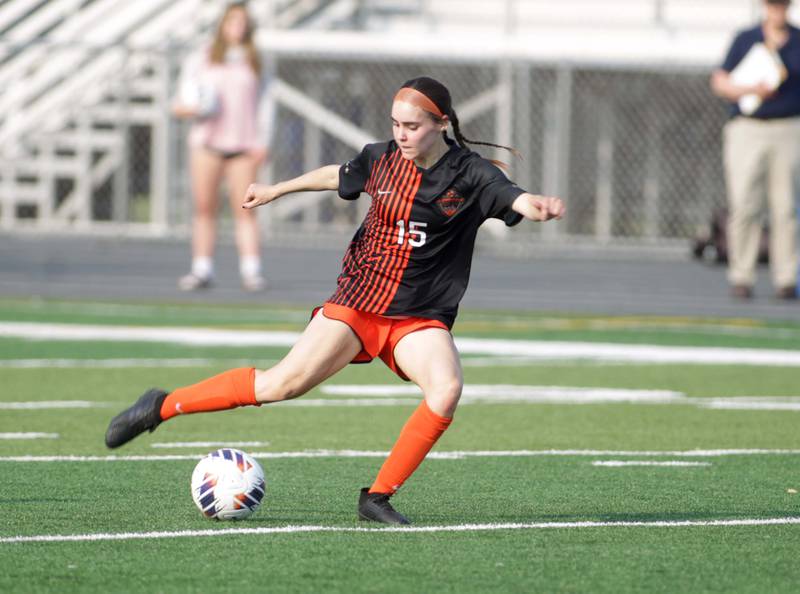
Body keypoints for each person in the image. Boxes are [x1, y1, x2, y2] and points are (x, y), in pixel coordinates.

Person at [105, 76, 565, 525]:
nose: (401, 135)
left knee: (445, 391)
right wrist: (275, 190)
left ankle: (378, 496)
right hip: (359, 301)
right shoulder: (382, 158)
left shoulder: (470, 173)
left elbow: (512, 196)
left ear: (441, 123)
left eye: (412, 127)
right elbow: (336, 175)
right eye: (395, 124)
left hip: (418, 317)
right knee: (279, 386)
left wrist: (534, 205)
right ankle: (162, 406)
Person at [172, 2, 273, 292]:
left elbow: (265, 103)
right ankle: (201, 268)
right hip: (208, 143)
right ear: (222, 25)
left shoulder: (255, 60)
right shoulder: (202, 57)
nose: (237, 27)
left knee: (245, 209)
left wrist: (262, 141)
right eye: (232, 21)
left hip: (243, 144)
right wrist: (196, 108)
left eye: (242, 22)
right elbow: (182, 101)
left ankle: (251, 270)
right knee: (204, 208)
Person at [710, 0, 800, 300]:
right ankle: (741, 275)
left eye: (783, 5)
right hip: (748, 128)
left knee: (785, 208)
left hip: (788, 128)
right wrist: (753, 90)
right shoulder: (746, 39)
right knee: (745, 204)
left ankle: (786, 277)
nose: (778, 11)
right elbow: (720, 82)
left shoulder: (798, 40)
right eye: (773, 5)